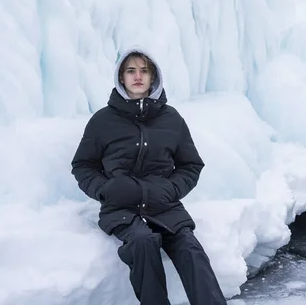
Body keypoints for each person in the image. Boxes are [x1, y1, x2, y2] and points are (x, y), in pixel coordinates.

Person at [71, 49, 227, 305]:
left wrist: (170, 190)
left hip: (165, 206)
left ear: (154, 77)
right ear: (121, 77)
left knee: (191, 249)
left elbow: (191, 165)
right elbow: (83, 165)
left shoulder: (171, 119)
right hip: (121, 208)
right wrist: (105, 189)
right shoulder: (103, 120)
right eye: (131, 70)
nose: (138, 76)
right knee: (143, 243)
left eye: (144, 70)